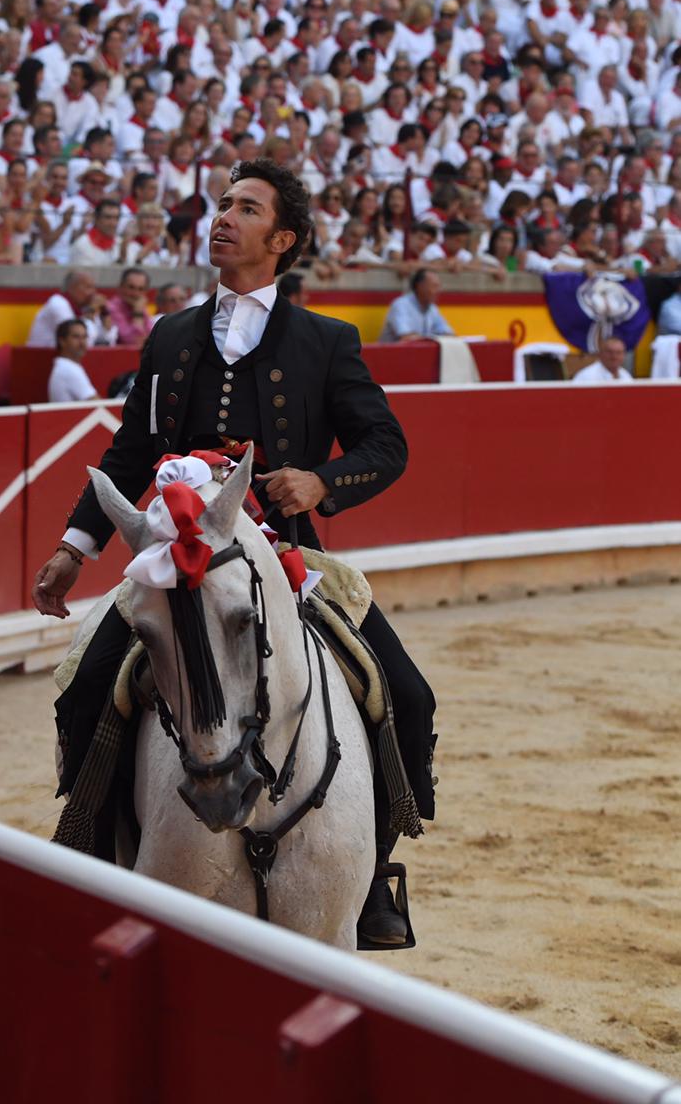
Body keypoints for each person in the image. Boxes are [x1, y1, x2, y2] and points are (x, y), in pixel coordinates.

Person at [34, 158, 435, 948]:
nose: (223, 217)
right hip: (175, 559)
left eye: (246, 208)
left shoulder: (326, 341)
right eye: (222, 204)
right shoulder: (172, 335)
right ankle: (89, 845)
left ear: (282, 239)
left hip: (286, 557)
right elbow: (130, 450)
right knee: (85, 685)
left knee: (408, 697)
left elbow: (386, 446)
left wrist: (320, 481)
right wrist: (75, 545)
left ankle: (374, 879)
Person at [27, 269, 117, 348]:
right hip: (40, 357)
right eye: (88, 287)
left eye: (94, 288)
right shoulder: (58, 304)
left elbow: (107, 340)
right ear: (72, 288)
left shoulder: (84, 307)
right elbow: (80, 341)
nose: (93, 292)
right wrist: (91, 311)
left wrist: (105, 314)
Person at [379, 269, 455, 342]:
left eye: (438, 286)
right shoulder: (401, 305)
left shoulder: (433, 308)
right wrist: (433, 339)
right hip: (392, 351)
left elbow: (449, 334)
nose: (438, 291)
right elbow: (406, 337)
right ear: (420, 286)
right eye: (434, 286)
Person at [47, 319, 99, 403]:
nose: (82, 343)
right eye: (76, 337)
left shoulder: (66, 366)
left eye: (84, 337)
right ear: (62, 341)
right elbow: (98, 405)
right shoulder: (68, 369)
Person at [107, 266, 153, 347]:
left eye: (140, 289)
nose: (135, 293)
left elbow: (152, 338)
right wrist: (138, 313)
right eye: (131, 287)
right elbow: (135, 341)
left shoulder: (139, 306)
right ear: (120, 286)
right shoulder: (111, 308)